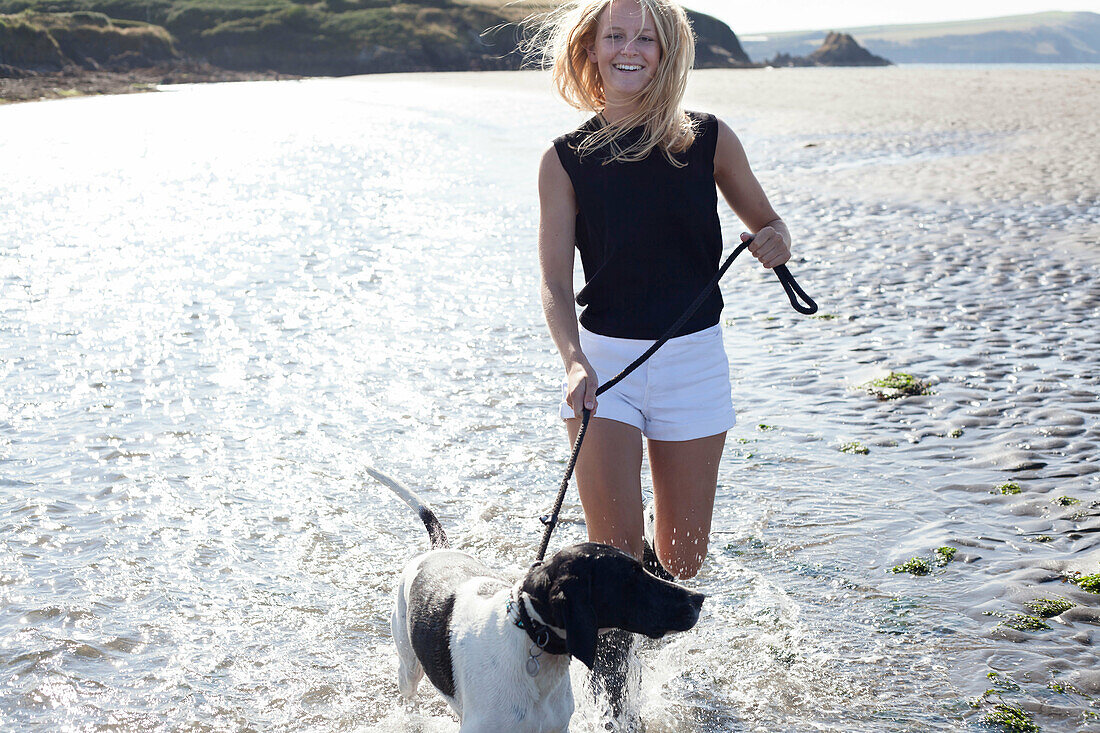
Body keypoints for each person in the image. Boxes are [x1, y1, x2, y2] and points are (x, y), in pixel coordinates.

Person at [535, 0, 792, 721]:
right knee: (610, 552)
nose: (629, 48)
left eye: (645, 37)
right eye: (615, 35)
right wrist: (573, 362)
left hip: (693, 363)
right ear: (589, 49)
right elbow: (555, 283)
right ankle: (616, 708)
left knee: (681, 558)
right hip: (604, 369)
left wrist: (775, 241)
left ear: (667, 50)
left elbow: (768, 226)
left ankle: (636, 611)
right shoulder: (564, 158)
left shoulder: (709, 139)